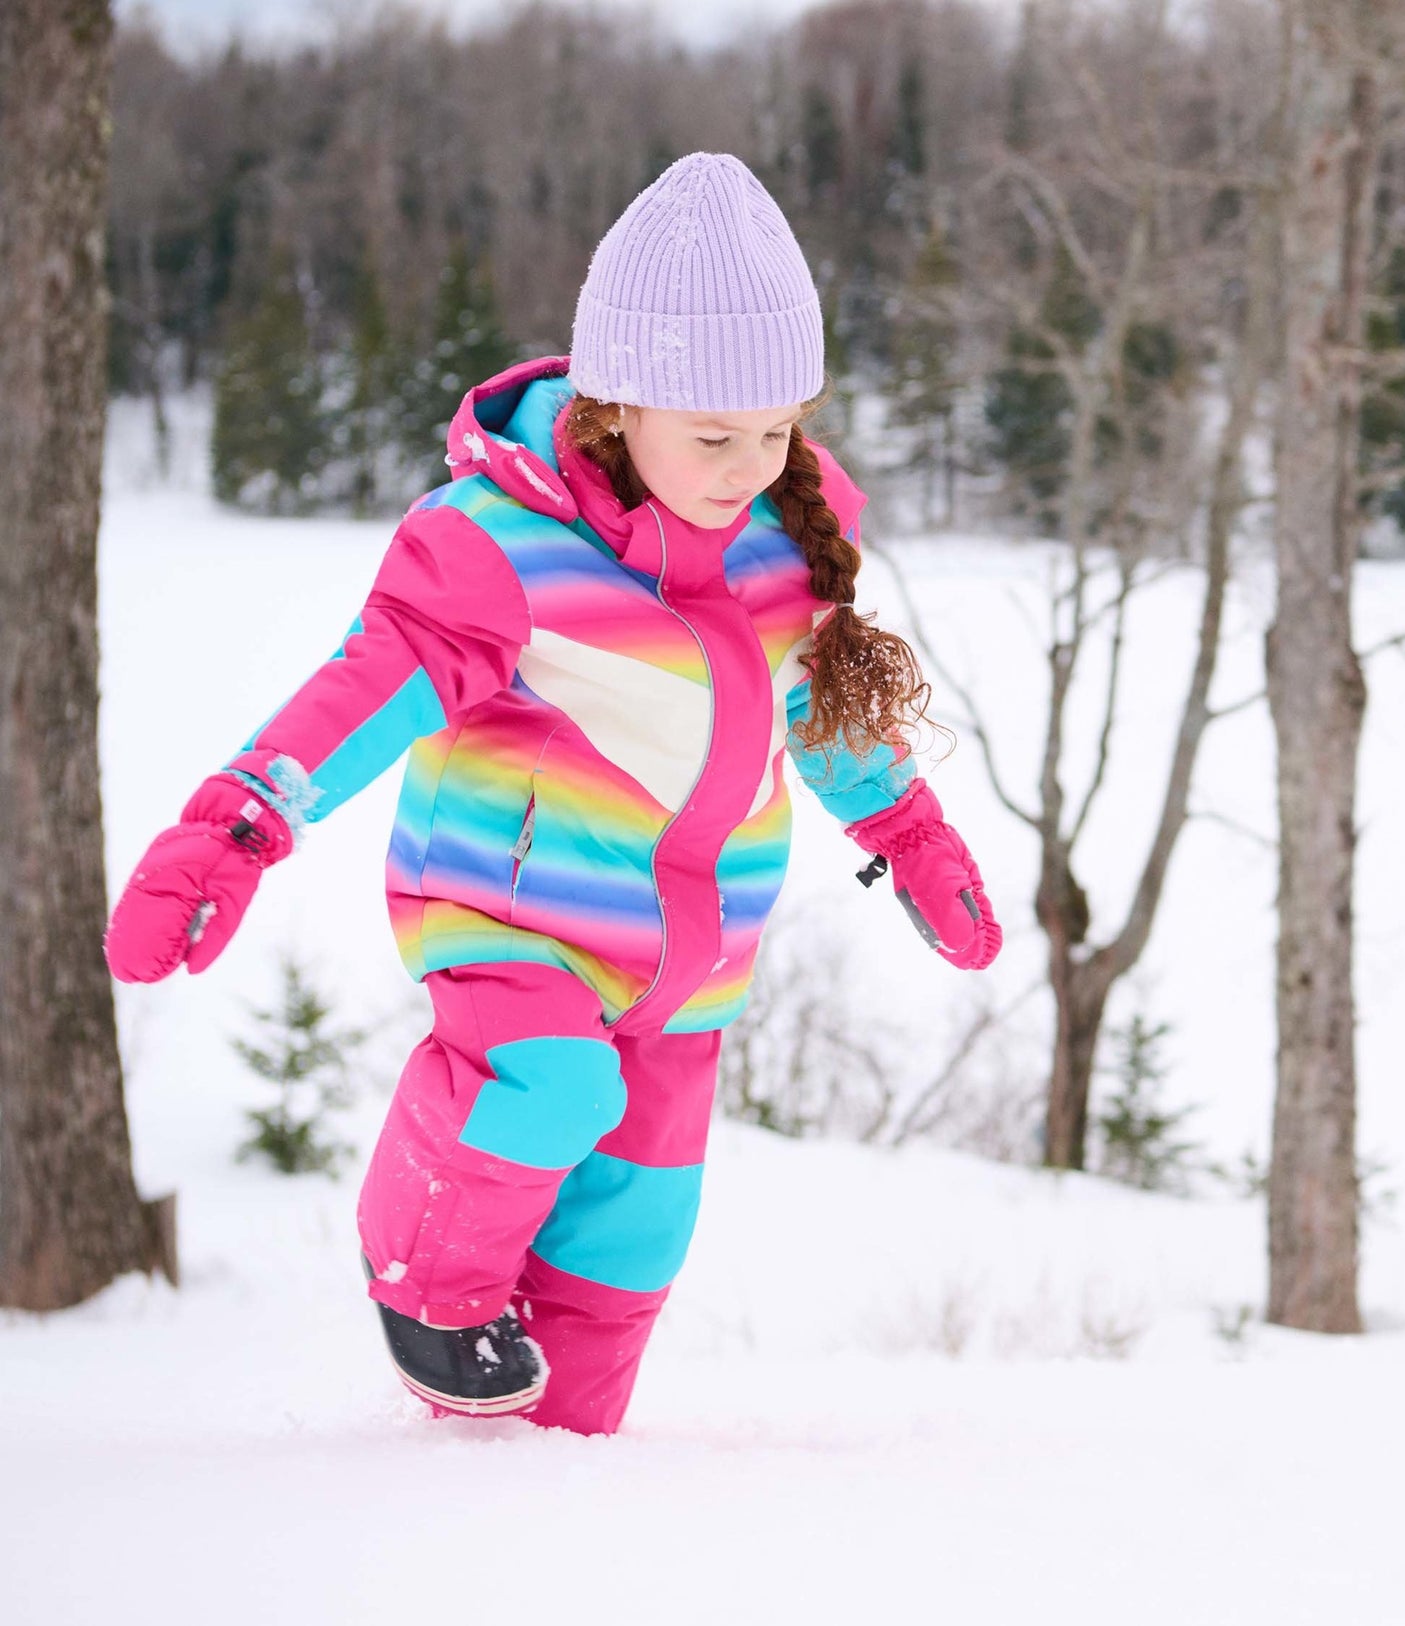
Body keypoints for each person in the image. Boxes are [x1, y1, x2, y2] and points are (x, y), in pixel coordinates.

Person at [104, 153, 1001, 1436]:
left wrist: (908, 835)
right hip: (513, 924)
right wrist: (233, 831)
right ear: (611, 404)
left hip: (691, 972)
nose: (748, 463)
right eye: (711, 434)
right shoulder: (499, 545)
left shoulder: (783, 556)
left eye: (772, 431)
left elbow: (822, 716)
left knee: (643, 1220)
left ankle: (555, 1470)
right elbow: (361, 694)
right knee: (550, 1089)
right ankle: (429, 1282)